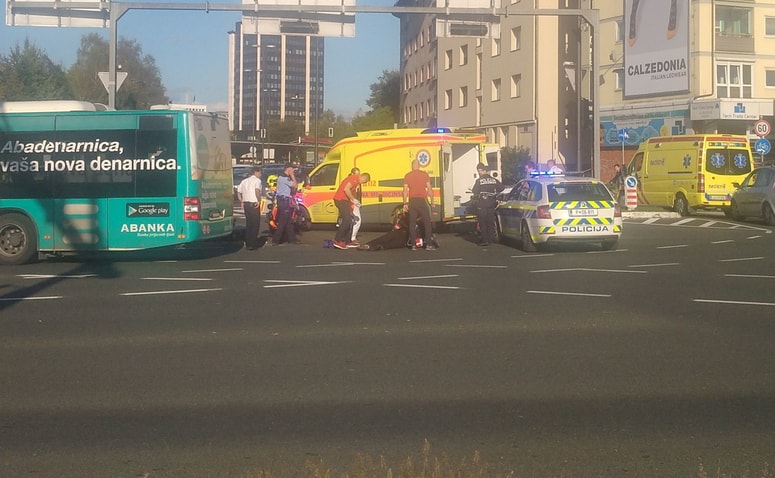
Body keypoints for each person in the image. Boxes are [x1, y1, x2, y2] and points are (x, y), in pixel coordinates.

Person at [332, 170, 371, 250]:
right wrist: (353, 199)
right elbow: (346, 189)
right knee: (347, 220)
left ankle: (348, 241)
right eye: (364, 182)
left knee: (351, 220)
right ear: (364, 178)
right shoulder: (354, 178)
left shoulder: (356, 182)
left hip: (345, 201)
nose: (363, 183)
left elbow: (350, 192)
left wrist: (354, 203)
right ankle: (337, 240)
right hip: (340, 200)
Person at [402, 159, 435, 251]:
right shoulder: (424, 175)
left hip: (412, 201)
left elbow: (405, 191)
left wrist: (405, 203)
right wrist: (432, 201)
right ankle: (428, 244)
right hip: (422, 200)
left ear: (412, 166)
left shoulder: (407, 176)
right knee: (427, 222)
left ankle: (413, 245)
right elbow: (429, 189)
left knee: (412, 223)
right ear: (419, 166)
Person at [471, 163, 504, 246]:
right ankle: (491, 239)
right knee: (490, 222)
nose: (479, 173)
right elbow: (501, 188)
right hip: (492, 204)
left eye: (480, 171)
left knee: (483, 222)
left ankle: (484, 240)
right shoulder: (493, 179)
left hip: (482, 204)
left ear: (484, 170)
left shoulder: (479, 180)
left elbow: (474, 190)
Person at [271, 163, 300, 246]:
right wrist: (292, 176)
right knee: (283, 221)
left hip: (283, 200)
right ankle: (275, 240)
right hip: (284, 201)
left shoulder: (283, 177)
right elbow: (295, 185)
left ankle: (292, 239)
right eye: (292, 169)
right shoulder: (284, 178)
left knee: (289, 221)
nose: (293, 171)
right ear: (288, 169)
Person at [236, 166, 263, 250]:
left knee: (249, 223)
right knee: (255, 224)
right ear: (256, 172)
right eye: (260, 173)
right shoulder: (257, 181)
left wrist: (241, 201)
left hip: (246, 204)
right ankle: (253, 243)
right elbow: (257, 191)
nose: (261, 175)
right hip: (254, 203)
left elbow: (238, 192)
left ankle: (248, 242)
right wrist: (259, 200)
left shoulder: (244, 181)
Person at [349, 167, 363, 245]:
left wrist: (360, 202)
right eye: (357, 174)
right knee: (357, 220)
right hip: (352, 203)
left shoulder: (358, 182)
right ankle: (352, 238)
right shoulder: (351, 181)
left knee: (355, 220)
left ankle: (352, 237)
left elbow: (359, 193)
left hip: (356, 203)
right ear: (352, 174)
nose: (358, 176)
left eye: (359, 174)